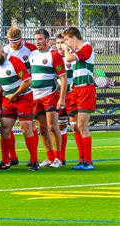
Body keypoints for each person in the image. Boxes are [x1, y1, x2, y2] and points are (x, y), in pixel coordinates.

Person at [0, 42, 39, 171]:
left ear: (3, 52)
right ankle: (6, 162)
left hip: (24, 98)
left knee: (26, 128)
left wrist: (15, 94)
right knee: (4, 128)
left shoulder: (14, 62)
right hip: (8, 99)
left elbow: (27, 81)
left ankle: (34, 161)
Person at [29, 29, 67, 168]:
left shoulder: (54, 55)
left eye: (40, 39)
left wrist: (61, 98)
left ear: (47, 39)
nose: (37, 42)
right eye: (36, 39)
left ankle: (59, 158)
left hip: (50, 96)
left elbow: (63, 78)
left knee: (52, 127)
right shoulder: (32, 55)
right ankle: (50, 157)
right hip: (35, 97)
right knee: (43, 129)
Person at [62, 27, 96, 170]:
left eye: (68, 40)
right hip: (76, 90)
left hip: (85, 90)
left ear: (74, 37)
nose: (67, 43)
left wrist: (65, 49)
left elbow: (68, 58)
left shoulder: (87, 47)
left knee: (82, 125)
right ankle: (81, 159)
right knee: (75, 127)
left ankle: (88, 161)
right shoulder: (77, 52)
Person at [3, 26, 39, 166]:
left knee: (28, 126)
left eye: (16, 41)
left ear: (21, 39)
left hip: (28, 91)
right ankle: (12, 156)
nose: (14, 44)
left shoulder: (30, 49)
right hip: (10, 93)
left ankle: (33, 159)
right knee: (6, 126)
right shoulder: (5, 51)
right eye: (11, 41)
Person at [55, 33, 74, 165]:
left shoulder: (72, 58)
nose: (60, 45)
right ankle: (60, 157)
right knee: (59, 126)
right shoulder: (53, 58)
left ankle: (83, 158)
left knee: (76, 126)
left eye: (62, 42)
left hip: (72, 95)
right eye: (58, 43)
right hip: (58, 95)